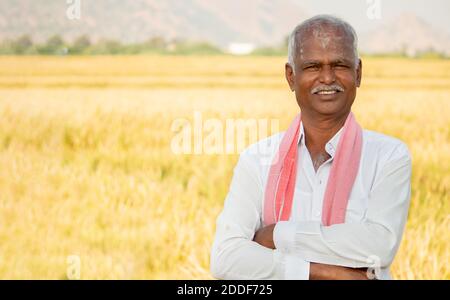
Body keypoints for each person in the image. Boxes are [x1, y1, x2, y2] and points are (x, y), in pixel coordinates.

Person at [210, 15, 412, 280]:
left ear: (358, 73)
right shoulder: (257, 159)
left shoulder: (389, 157)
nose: (327, 78)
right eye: (313, 66)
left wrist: (276, 235)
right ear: (291, 76)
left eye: (339, 64)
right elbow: (226, 259)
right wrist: (322, 273)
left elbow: (379, 246)